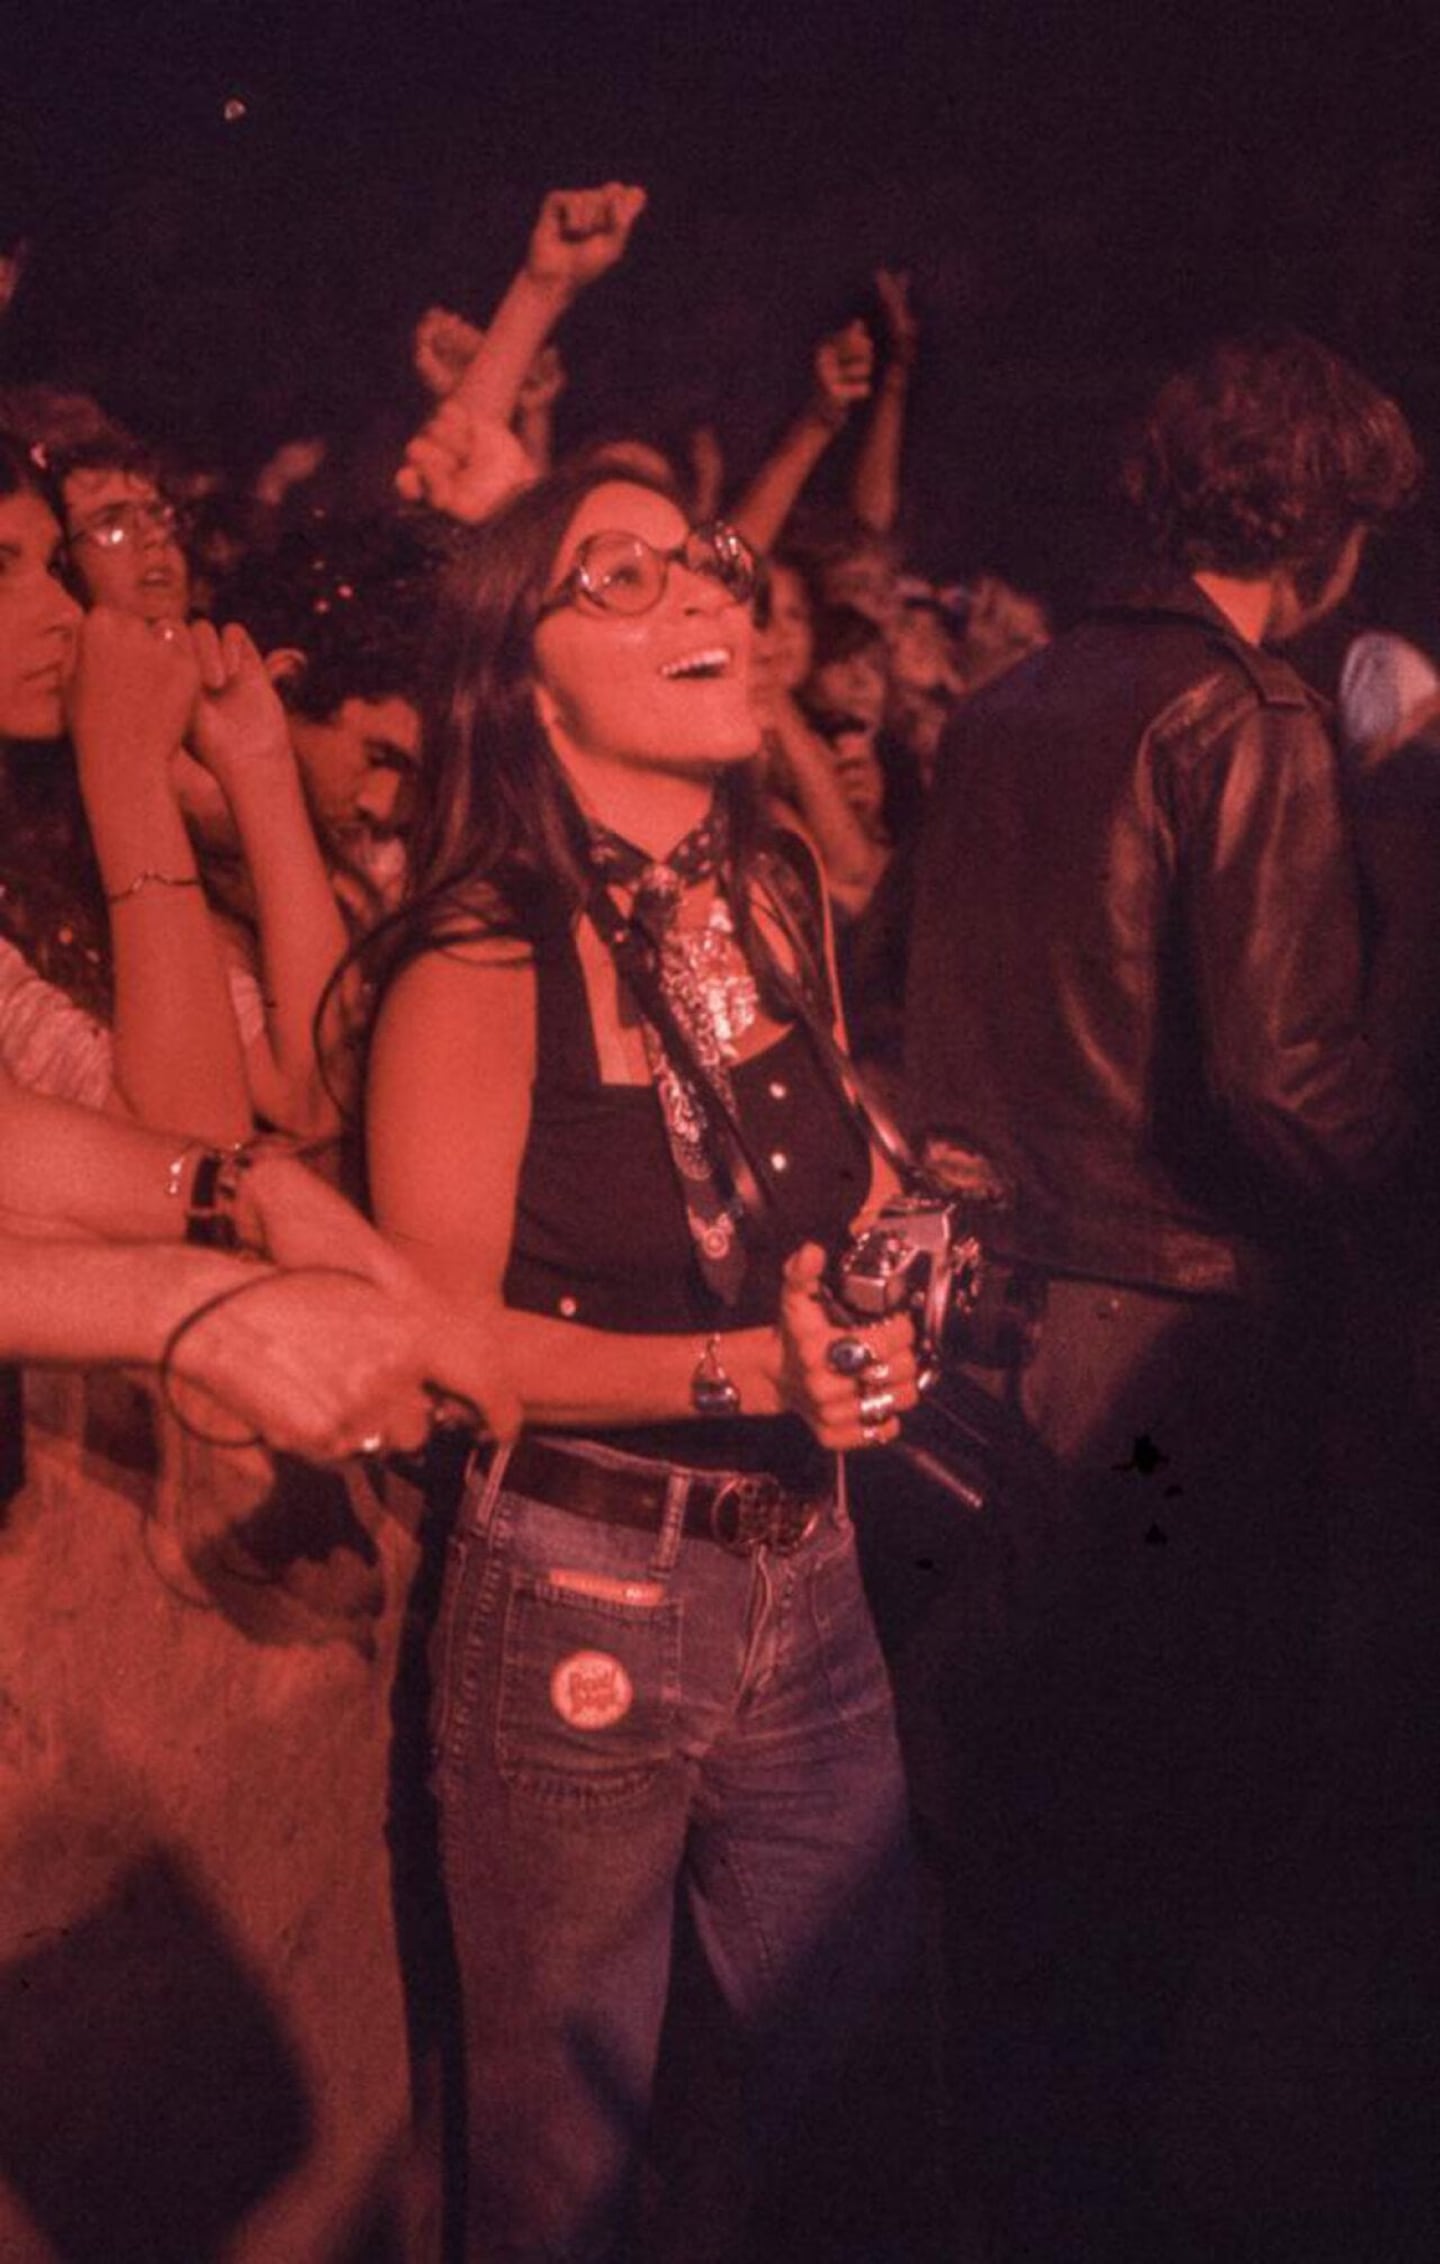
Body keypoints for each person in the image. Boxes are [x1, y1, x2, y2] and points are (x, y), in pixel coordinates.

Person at [364, 457, 922, 2260]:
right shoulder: (474, 959)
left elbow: (833, 1173)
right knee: (561, 2171)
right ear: (523, 680)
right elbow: (437, 1344)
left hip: (808, 1575)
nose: (706, 596)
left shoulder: (766, 892)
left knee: (865, 2089)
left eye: (707, 562)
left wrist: (905, 1248)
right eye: (625, 577)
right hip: (581, 1602)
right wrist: (752, 1372)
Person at [904, 326, 1420, 2258]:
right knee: (1161, 1831)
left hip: (986, 1323)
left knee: (1012, 1820)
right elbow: (1289, 1083)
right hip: (1173, 1354)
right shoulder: (1247, 717)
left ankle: (1002, 2192)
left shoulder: (1008, 698)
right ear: (1334, 528)